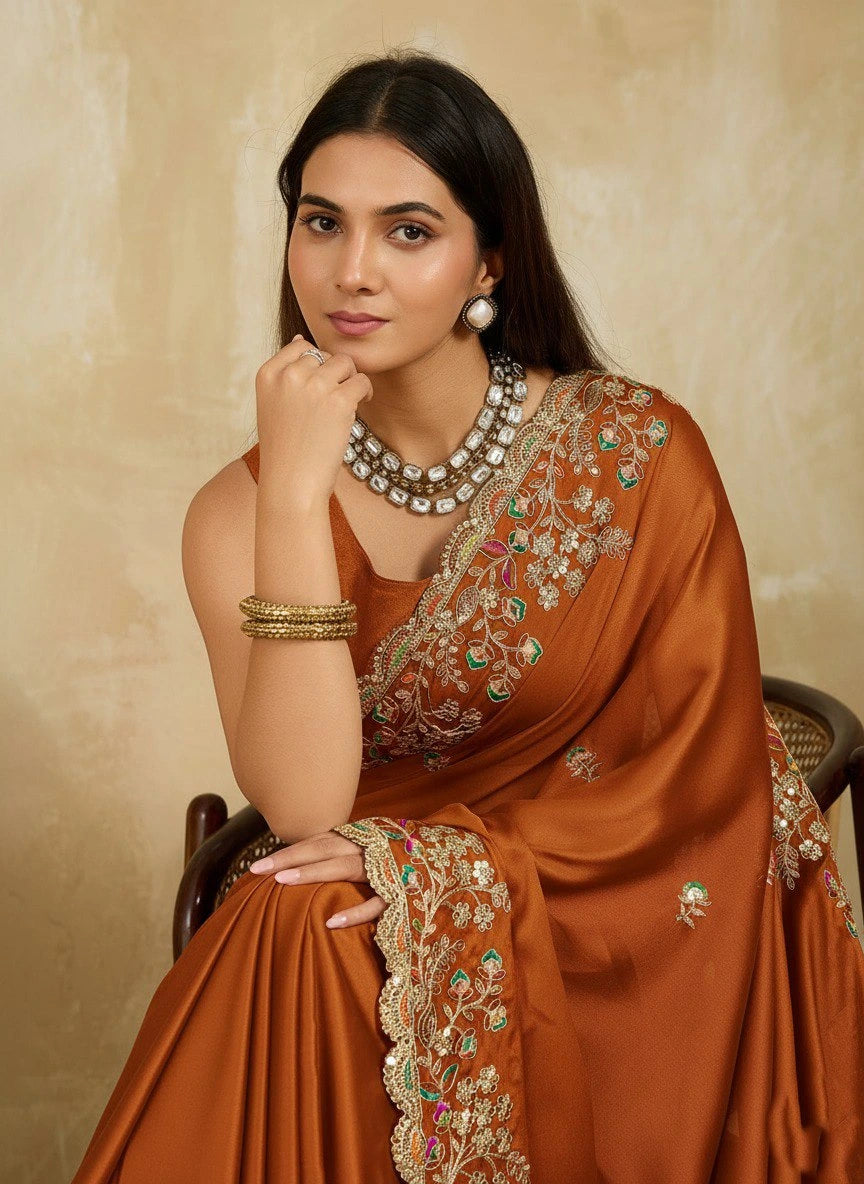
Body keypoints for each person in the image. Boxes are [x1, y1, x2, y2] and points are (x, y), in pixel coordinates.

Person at [71, 49, 864, 1184]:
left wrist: (429, 873)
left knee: (305, 920)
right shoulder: (240, 507)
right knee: (297, 920)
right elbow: (302, 805)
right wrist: (297, 498)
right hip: (352, 902)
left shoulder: (637, 453)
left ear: (488, 258)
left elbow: (701, 774)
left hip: (623, 920)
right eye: (320, 222)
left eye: (407, 231)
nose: (352, 272)